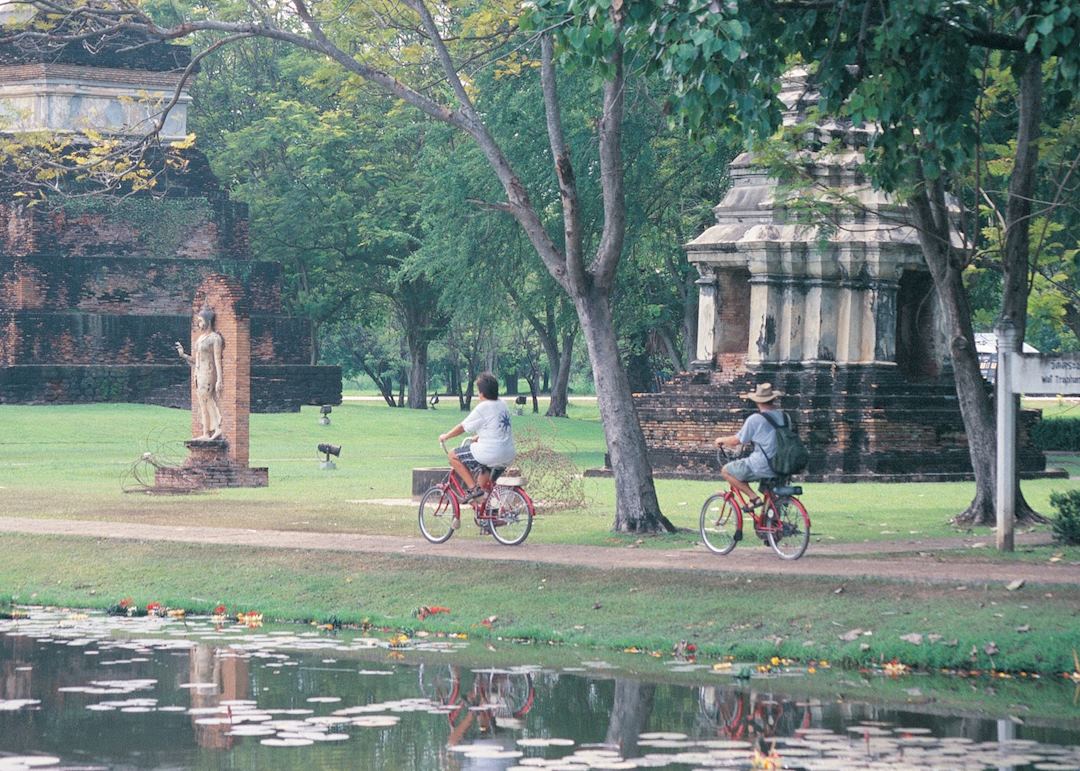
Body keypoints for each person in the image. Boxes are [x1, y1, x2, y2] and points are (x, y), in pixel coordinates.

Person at [439, 372, 515, 525]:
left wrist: (446, 436)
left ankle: (473, 489)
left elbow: (463, 427)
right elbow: (495, 428)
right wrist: (478, 437)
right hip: (507, 454)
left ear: (482, 393)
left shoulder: (483, 407)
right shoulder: (502, 404)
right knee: (485, 486)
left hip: (491, 453)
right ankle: (489, 520)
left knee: (453, 455)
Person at [713, 382, 786, 510]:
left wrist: (721, 440)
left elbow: (737, 440)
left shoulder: (755, 419)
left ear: (758, 401)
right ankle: (771, 525)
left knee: (726, 471)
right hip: (784, 465)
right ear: (773, 399)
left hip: (763, 464)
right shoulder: (785, 417)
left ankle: (754, 498)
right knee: (771, 497)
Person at [175, 308, 224, 441]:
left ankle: (218, 428)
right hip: (199, 372)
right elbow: (196, 359)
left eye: (201, 321)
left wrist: (220, 379)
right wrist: (183, 355)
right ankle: (205, 432)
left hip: (209, 371)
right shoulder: (201, 338)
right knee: (202, 401)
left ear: (208, 321)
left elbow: (217, 359)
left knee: (208, 398)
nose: (199, 324)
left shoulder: (215, 338)